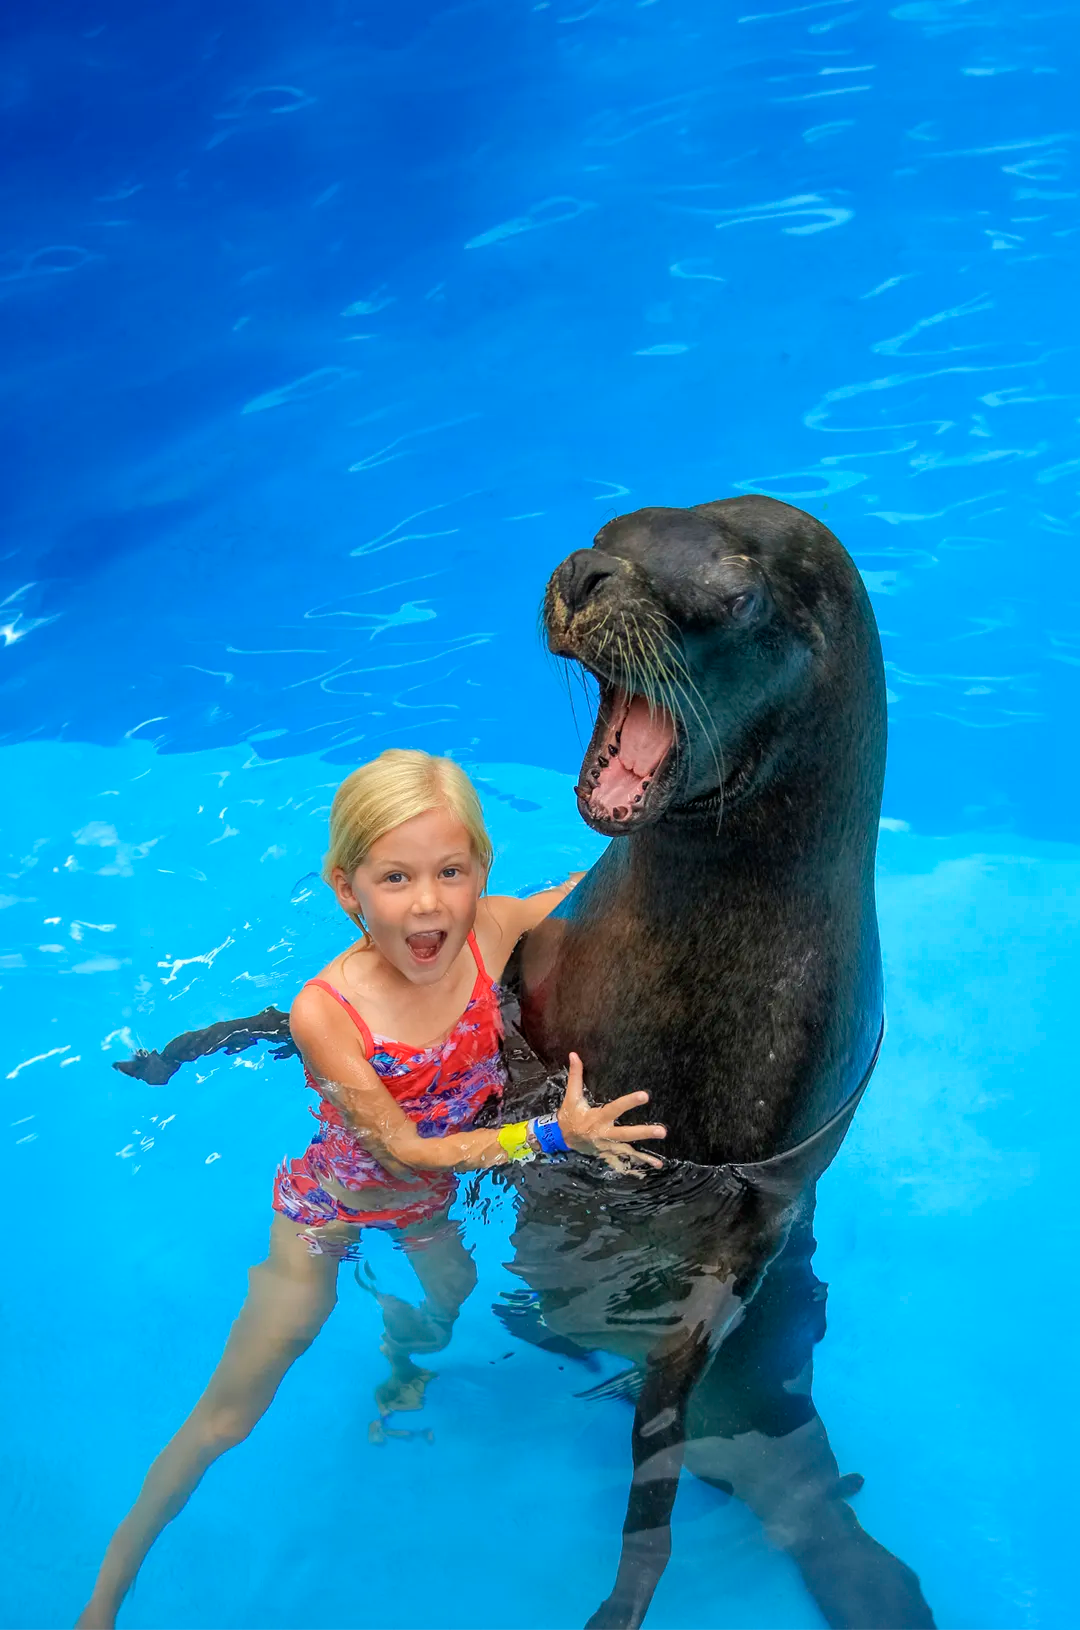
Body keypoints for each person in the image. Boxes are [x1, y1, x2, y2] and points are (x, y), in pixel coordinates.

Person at [76, 748, 666, 1628]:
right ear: (347, 888)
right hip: (333, 1210)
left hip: (429, 1212)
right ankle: (106, 1593)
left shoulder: (488, 934)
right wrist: (551, 1134)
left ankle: (398, 1365)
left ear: (480, 875)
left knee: (453, 1294)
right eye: (396, 877)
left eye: (450, 872)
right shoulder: (327, 1013)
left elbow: (578, 893)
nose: (428, 902)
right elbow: (406, 1148)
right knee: (232, 1413)